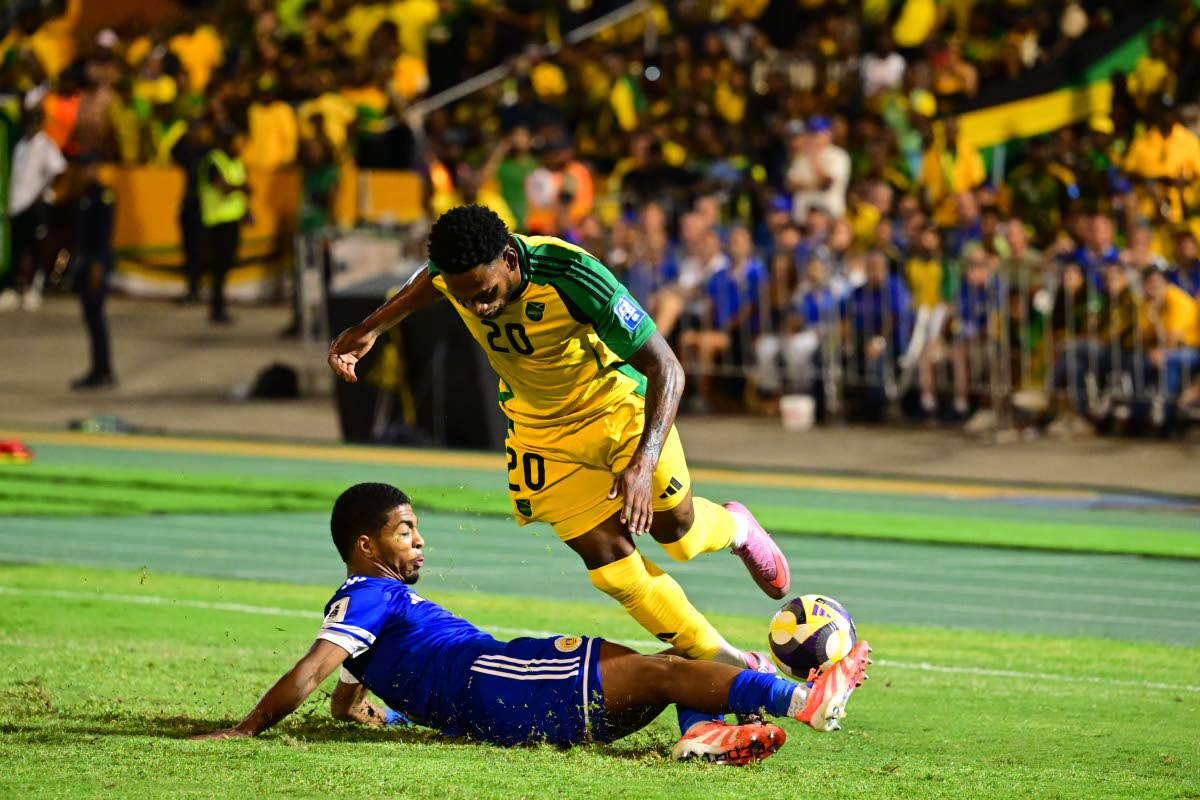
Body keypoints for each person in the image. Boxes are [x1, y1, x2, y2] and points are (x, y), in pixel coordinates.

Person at [329, 205, 791, 672]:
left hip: (616, 409)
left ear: (509, 258)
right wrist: (371, 327)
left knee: (678, 535)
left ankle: (737, 529)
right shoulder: (459, 272)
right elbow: (430, 279)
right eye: (467, 299)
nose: (479, 308)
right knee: (610, 565)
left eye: (486, 293)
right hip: (539, 430)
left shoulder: (572, 273)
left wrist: (642, 463)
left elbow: (667, 368)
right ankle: (729, 661)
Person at [190, 483, 873, 764]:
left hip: (495, 697)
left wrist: (374, 714)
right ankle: (806, 697)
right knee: (665, 666)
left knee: (653, 669)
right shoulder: (368, 594)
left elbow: (346, 679)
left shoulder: (362, 610)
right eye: (404, 532)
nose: (418, 543)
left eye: (418, 530)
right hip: (501, 680)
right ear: (366, 547)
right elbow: (314, 668)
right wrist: (246, 728)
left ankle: (704, 738)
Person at [197, 122, 248, 324]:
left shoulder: (234, 161)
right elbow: (223, 187)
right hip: (217, 222)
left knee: (226, 266)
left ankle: (219, 306)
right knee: (219, 268)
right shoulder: (214, 161)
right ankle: (216, 309)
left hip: (232, 220)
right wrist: (241, 187)